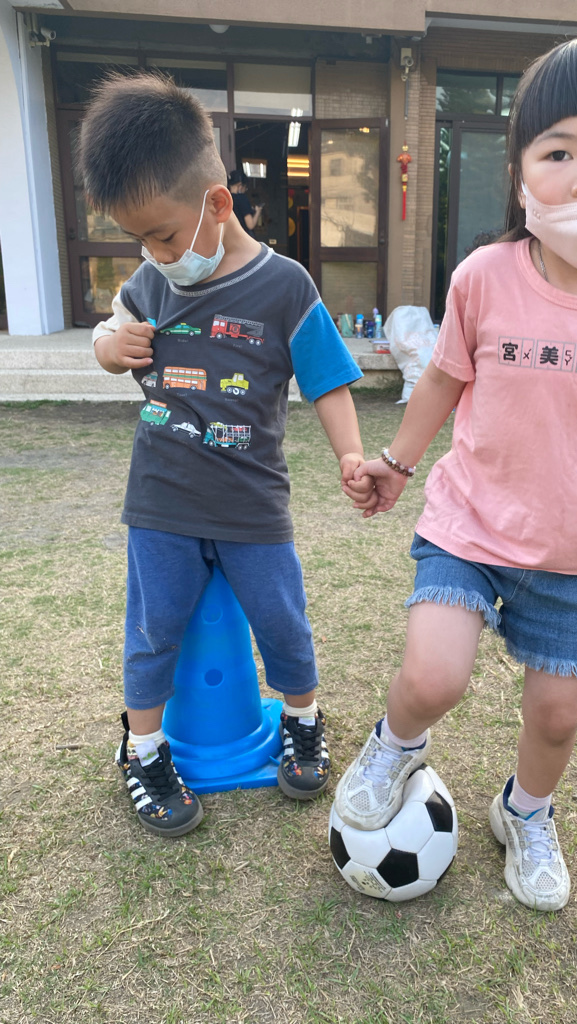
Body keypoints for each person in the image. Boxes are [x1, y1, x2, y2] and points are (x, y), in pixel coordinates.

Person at [334, 32, 577, 911]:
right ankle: (395, 745)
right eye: (560, 152)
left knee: (557, 715)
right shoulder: (485, 277)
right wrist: (395, 464)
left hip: (574, 551)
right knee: (434, 677)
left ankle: (526, 811)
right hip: (468, 525)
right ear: (520, 173)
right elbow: (443, 377)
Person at [80, 72, 375, 837]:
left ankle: (301, 721)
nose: (154, 254)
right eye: (140, 240)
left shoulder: (285, 286)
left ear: (217, 203)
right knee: (153, 631)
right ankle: (145, 750)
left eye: (163, 235)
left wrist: (350, 456)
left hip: (252, 504)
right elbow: (108, 331)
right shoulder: (151, 282)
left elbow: (327, 378)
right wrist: (112, 347)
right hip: (162, 501)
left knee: (283, 622)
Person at [227, 170, 261, 236]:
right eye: (245, 187)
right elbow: (250, 225)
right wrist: (258, 212)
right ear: (240, 185)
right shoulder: (242, 199)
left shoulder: (225, 198)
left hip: (228, 236)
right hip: (241, 236)